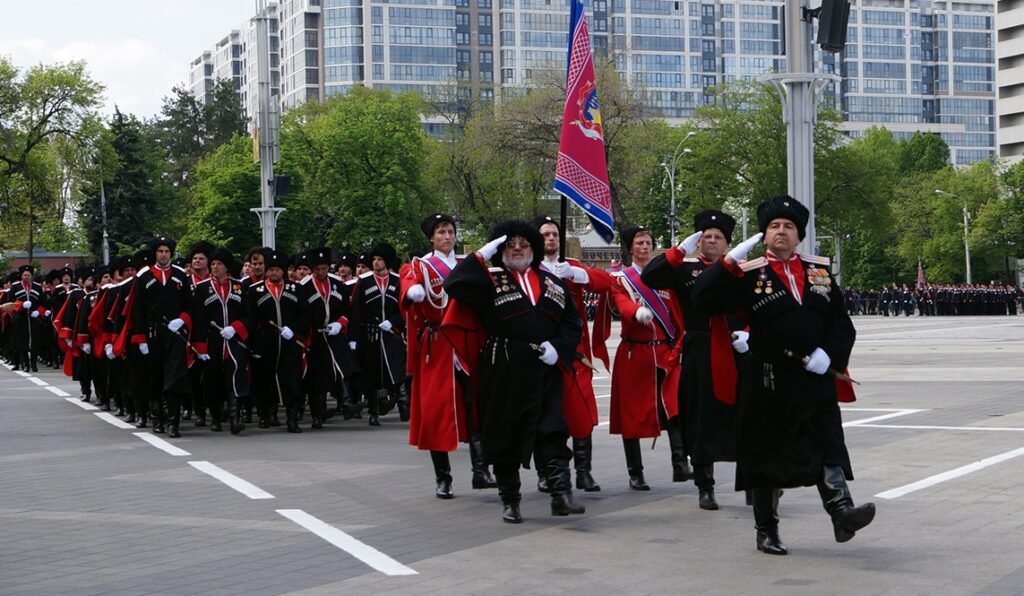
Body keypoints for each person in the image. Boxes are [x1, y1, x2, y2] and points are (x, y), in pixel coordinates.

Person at [692, 196, 874, 555]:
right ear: (764, 234)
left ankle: (841, 513)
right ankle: (766, 530)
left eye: (788, 226)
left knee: (827, 444)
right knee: (765, 457)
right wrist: (728, 263)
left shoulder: (818, 273)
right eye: (774, 226)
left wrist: (830, 354)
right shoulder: (747, 274)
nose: (781, 231)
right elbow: (703, 299)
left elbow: (841, 324)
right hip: (767, 379)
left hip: (813, 377)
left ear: (799, 236)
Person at [444, 220, 584, 523]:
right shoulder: (488, 280)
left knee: (553, 429)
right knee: (504, 433)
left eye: (523, 243)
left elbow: (572, 323)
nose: (517, 248)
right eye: (510, 244)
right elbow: (454, 285)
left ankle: (561, 494)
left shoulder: (552, 283)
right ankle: (511, 499)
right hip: (503, 365)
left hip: (544, 366)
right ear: (500, 249)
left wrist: (558, 348)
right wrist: (480, 256)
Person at [642, 210, 745, 510]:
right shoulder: (685, 269)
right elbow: (651, 276)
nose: (711, 241)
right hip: (700, 345)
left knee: (745, 416)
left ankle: (754, 483)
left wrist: (747, 334)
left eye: (718, 237)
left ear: (727, 244)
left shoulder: (741, 269)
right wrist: (678, 251)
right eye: (706, 237)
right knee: (700, 417)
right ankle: (705, 485)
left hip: (736, 346)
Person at [402, 213, 497, 499]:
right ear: (431, 238)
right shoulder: (421, 265)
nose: (446, 236)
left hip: (466, 341)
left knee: (473, 401)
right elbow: (408, 283)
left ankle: (481, 470)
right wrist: (412, 291)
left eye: (450, 231)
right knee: (436, 411)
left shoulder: (463, 265)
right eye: (441, 232)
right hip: (438, 343)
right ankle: (443, 477)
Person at [532, 215, 615, 493]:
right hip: (543, 352)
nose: (551, 239)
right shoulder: (530, 272)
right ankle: (547, 472)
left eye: (555, 234)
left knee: (581, 411)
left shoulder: (571, 268)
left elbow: (606, 282)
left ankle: (583, 472)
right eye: (545, 234)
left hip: (575, 354)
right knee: (544, 413)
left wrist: (576, 275)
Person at [599, 226, 683, 490]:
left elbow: (677, 314)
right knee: (631, 414)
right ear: (630, 249)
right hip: (635, 352)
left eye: (648, 242)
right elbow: (620, 303)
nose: (645, 247)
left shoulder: (666, 278)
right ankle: (635, 472)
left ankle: (680, 463)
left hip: (664, 351)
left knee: (674, 407)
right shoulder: (621, 279)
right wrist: (636, 312)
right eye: (639, 243)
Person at [129, 236, 194, 438]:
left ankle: (173, 422)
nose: (164, 254)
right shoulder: (144, 276)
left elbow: (190, 304)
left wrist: (182, 320)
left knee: (174, 376)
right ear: (155, 253)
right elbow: (137, 308)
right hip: (153, 332)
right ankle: (157, 418)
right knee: (155, 377)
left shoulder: (180, 275)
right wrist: (140, 338)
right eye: (160, 251)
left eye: (167, 251)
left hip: (174, 332)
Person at [244, 250, 309, 433]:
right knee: (265, 378)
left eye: (277, 270)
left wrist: (294, 330)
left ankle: (291, 417)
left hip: (290, 340)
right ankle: (265, 414)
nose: (273, 273)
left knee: (291, 379)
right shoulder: (255, 291)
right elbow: (250, 319)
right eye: (270, 270)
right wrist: (254, 343)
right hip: (267, 339)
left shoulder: (295, 289)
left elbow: (305, 314)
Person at [191, 248, 251, 434]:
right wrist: (200, 346)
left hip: (233, 340)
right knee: (212, 379)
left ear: (227, 267)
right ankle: (216, 416)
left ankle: (235, 417)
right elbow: (198, 319)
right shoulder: (202, 289)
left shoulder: (239, 287)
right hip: (212, 341)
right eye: (213, 264)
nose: (215, 267)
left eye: (219, 264)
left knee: (235, 376)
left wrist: (236, 328)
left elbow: (248, 315)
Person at [350, 242, 407, 426]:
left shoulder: (397, 281)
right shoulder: (364, 281)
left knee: (397, 371)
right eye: (374, 259)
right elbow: (356, 311)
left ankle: (399, 403)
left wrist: (394, 321)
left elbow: (404, 309)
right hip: (371, 335)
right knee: (372, 375)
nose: (376, 263)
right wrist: (354, 338)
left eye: (380, 259)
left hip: (392, 334)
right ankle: (373, 412)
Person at [299, 247, 355, 430]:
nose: (321, 272)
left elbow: (347, 309)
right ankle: (318, 413)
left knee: (343, 367)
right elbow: (301, 314)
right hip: (315, 336)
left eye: (324, 268)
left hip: (335, 333)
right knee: (318, 376)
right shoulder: (304, 286)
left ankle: (347, 403)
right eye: (317, 269)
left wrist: (340, 323)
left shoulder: (338, 284)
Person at [4, 265, 50, 372]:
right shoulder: (15, 287)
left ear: (32, 276)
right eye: (24, 275)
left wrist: (38, 311)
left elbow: (44, 302)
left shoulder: (37, 287)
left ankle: (34, 364)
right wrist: (21, 305)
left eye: (28, 275)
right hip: (21, 318)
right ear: (21, 276)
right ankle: (25, 364)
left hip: (34, 318)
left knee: (35, 342)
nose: (27, 277)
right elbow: (10, 302)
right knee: (22, 342)